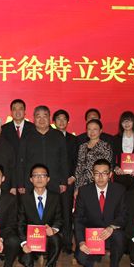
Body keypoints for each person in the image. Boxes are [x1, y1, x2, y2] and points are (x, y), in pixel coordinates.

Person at [74, 159, 127, 267]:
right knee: (81, 258)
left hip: (111, 232)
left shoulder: (119, 190)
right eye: (97, 173)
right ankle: (94, 257)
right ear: (92, 175)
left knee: (119, 236)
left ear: (110, 174)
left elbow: (123, 214)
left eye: (104, 173)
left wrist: (111, 227)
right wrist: (81, 242)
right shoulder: (84, 191)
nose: (100, 177)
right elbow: (78, 219)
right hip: (92, 235)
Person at [17, 164, 63, 267]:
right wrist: (24, 243)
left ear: (48, 179)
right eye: (35, 175)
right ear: (31, 179)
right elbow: (20, 223)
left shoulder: (55, 197)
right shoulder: (24, 198)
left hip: (47, 237)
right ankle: (30, 261)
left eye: (43, 175)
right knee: (26, 262)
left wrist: (53, 229)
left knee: (56, 238)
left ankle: (51, 266)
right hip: (30, 239)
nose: (39, 178)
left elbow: (59, 218)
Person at [19, 105, 69, 195]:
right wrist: (21, 183)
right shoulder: (27, 136)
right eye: (38, 116)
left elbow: (63, 160)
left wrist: (63, 181)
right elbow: (21, 160)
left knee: (53, 203)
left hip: (54, 181)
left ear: (49, 118)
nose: (41, 120)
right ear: (34, 119)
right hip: (31, 182)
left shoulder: (58, 135)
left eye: (45, 116)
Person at [53, 109, 78, 254]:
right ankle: (51, 245)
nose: (61, 122)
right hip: (51, 182)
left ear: (68, 122)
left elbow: (77, 160)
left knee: (67, 214)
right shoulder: (49, 137)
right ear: (54, 122)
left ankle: (68, 244)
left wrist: (73, 176)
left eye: (64, 119)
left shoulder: (73, 139)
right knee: (51, 214)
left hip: (68, 181)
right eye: (58, 119)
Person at [1, 99, 35, 190]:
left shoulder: (33, 128)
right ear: (11, 112)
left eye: (20, 109)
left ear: (25, 112)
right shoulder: (3, 129)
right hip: (10, 175)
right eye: (14, 109)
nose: (17, 112)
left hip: (29, 174)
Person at [74, 119, 113, 190]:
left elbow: (107, 167)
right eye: (89, 129)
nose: (92, 132)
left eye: (95, 129)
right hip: (82, 184)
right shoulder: (82, 146)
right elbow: (79, 168)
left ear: (100, 131)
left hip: (99, 183)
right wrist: (77, 187)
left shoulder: (105, 146)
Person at [112, 111, 134, 190]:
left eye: (129, 121)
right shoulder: (116, 138)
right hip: (120, 175)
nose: (126, 124)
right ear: (121, 124)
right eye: (124, 121)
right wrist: (115, 168)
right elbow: (111, 156)